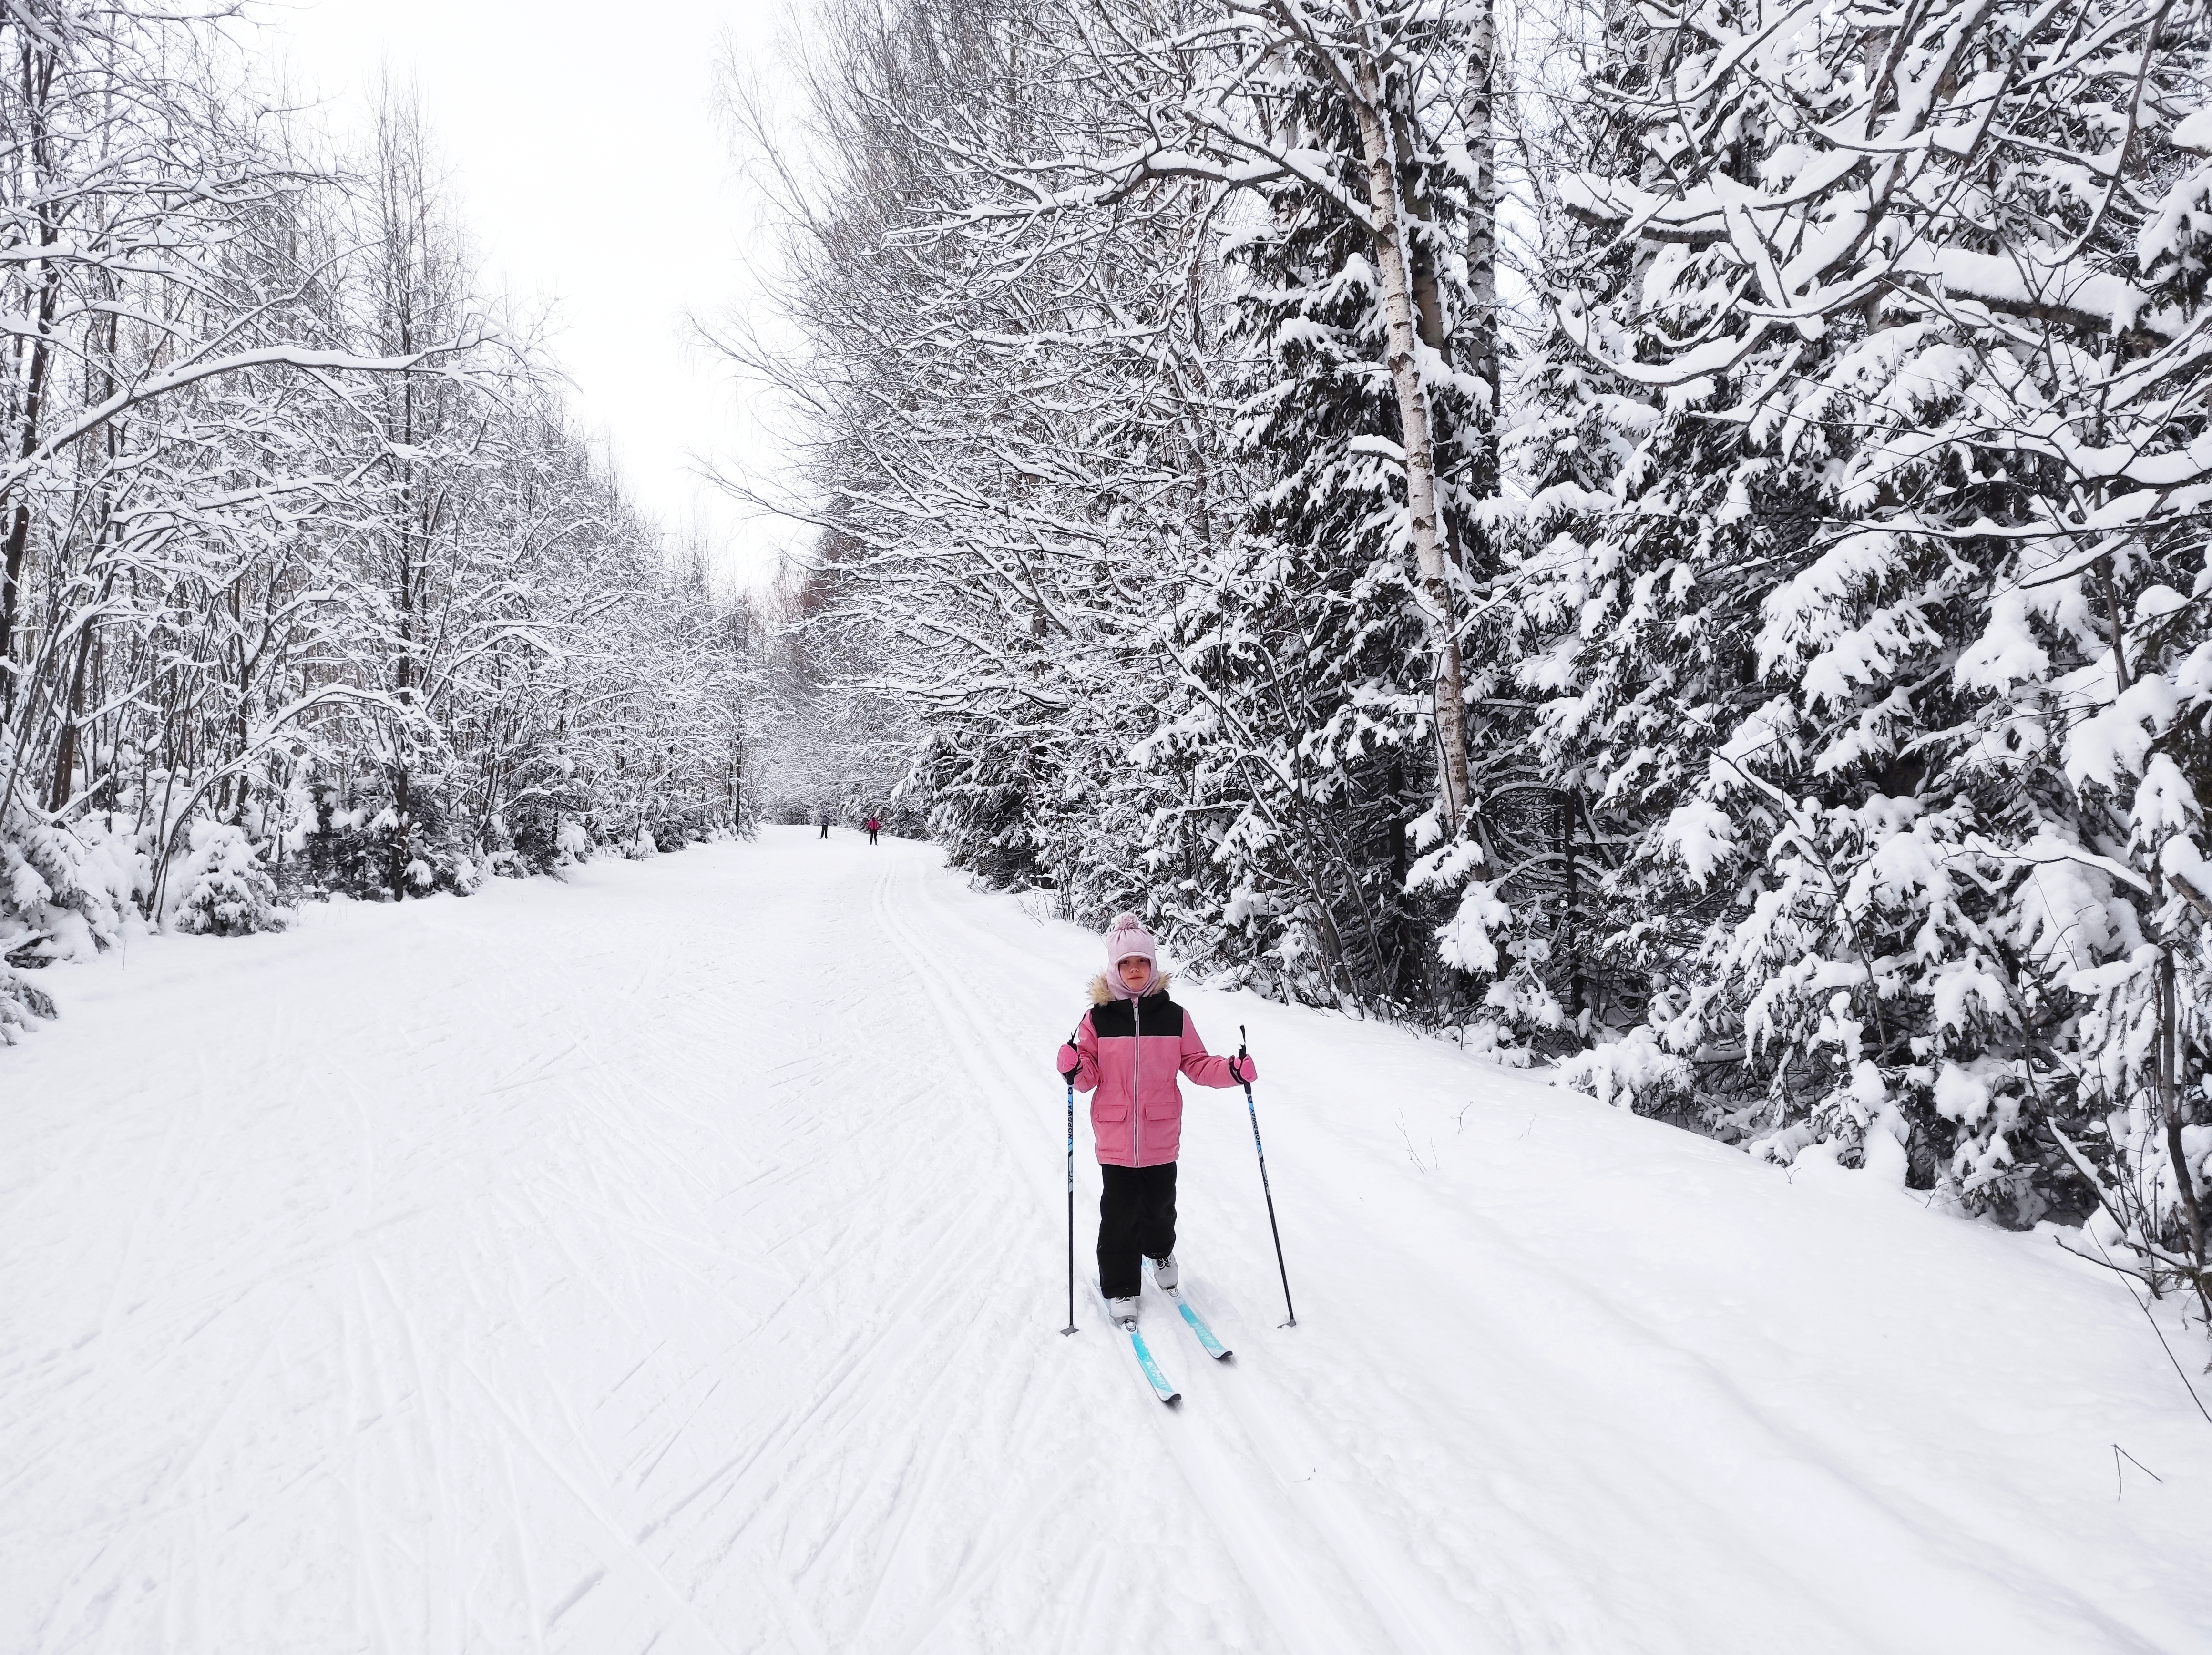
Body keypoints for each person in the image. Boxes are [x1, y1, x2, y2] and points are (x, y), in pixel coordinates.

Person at [1055, 913, 1254, 1324]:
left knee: (1161, 1207)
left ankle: (1160, 1251)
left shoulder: (1174, 1016)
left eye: (1141, 963)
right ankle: (1121, 1286)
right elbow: (1088, 1076)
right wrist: (1073, 1068)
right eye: (1126, 964)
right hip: (1115, 1139)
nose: (1134, 971)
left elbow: (1197, 1064)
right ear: (1114, 968)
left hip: (1161, 1135)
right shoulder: (1098, 1019)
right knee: (1120, 1215)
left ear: (1153, 966)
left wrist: (1232, 1072)